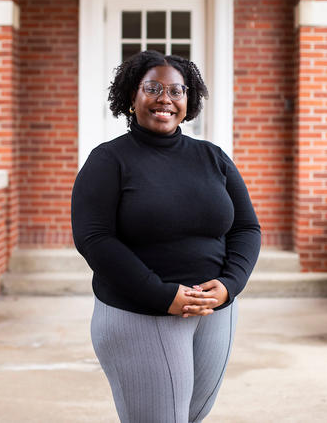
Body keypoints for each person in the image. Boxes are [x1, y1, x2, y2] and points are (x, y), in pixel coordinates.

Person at [71, 50, 261, 423]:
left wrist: (229, 285)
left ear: (188, 101)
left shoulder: (213, 157)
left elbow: (246, 228)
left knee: (188, 417)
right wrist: (162, 294)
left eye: (176, 90)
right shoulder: (109, 160)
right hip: (140, 313)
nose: (165, 99)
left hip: (214, 312)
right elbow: (94, 239)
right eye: (153, 88)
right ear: (131, 96)